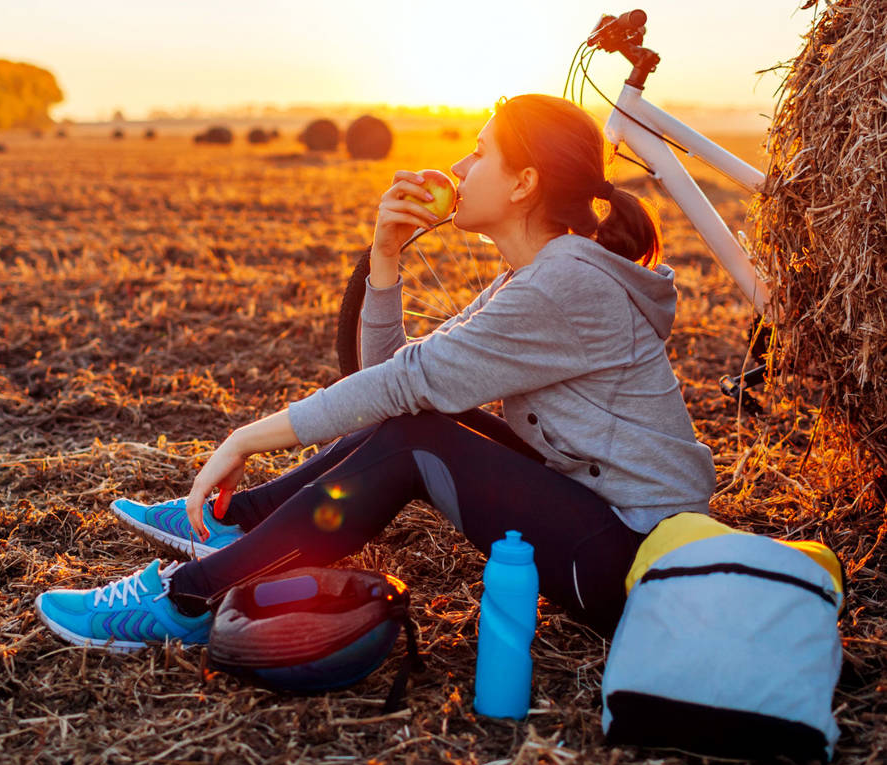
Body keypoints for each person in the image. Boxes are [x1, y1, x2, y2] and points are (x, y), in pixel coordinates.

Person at [35, 94, 716, 650]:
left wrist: (243, 439)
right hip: (605, 527)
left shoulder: (563, 283)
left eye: (479, 153)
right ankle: (237, 523)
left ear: (523, 183)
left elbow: (398, 386)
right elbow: (393, 377)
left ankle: (187, 598)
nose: (458, 165)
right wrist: (385, 257)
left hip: (637, 565)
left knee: (419, 436)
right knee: (417, 421)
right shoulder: (534, 276)